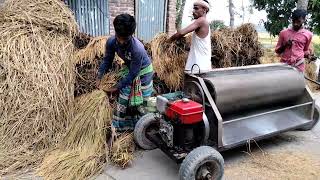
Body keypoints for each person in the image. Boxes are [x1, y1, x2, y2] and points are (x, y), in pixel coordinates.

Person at [96, 14, 154, 132]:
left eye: (125, 39)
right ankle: (119, 128)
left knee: (142, 104)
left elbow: (133, 73)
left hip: (143, 73)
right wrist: (99, 77)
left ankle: (142, 130)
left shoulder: (137, 49)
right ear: (116, 33)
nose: (121, 42)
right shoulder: (111, 42)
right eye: (119, 37)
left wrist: (116, 87)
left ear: (131, 34)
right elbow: (107, 60)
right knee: (123, 99)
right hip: (129, 68)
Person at [169, 0, 212, 73]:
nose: (193, 11)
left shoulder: (201, 21)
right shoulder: (205, 22)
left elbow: (181, 33)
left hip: (197, 67)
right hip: (201, 66)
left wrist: (168, 41)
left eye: (196, 8)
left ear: (204, 10)